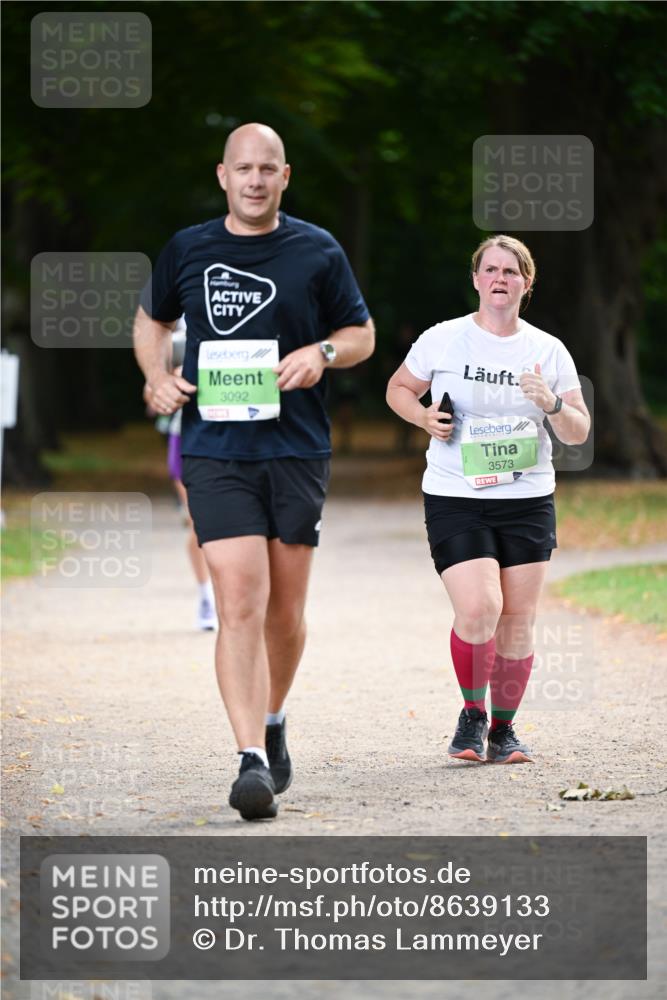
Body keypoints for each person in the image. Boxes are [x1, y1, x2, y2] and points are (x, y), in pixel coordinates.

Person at [134, 123, 374, 819]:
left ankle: (273, 718)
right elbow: (151, 322)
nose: (255, 180)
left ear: (284, 176)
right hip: (215, 451)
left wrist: (322, 354)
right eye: (243, 168)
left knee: (284, 613)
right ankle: (249, 761)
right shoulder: (189, 248)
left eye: (268, 168)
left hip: (296, 449)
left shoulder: (317, 249)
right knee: (239, 602)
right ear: (223, 175)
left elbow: (361, 334)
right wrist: (156, 376)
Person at [386, 235, 590, 764]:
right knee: (480, 608)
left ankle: (503, 731)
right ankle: (473, 714)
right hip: (457, 493)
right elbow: (398, 389)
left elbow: (578, 430)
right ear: (476, 279)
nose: (501, 278)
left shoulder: (548, 350)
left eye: (512, 271)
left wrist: (552, 403)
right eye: (492, 269)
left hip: (527, 497)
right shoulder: (444, 339)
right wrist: (423, 417)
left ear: (527, 282)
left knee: (517, 621)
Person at [145, 318, 218, 631]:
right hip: (187, 437)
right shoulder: (175, 340)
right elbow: (151, 395)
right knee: (198, 522)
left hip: (239, 436)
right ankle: (207, 596)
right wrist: (170, 383)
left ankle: (235, 595)